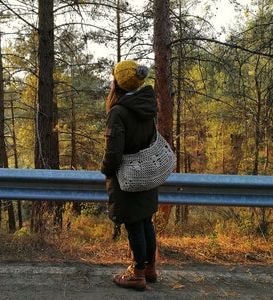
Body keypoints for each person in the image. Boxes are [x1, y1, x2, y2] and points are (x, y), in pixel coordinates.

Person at [101, 60, 158, 291]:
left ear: (118, 83)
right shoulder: (148, 104)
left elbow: (113, 153)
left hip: (128, 175)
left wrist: (105, 169)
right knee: (145, 220)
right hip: (147, 171)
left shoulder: (119, 111)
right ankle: (150, 269)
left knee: (134, 222)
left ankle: (137, 275)